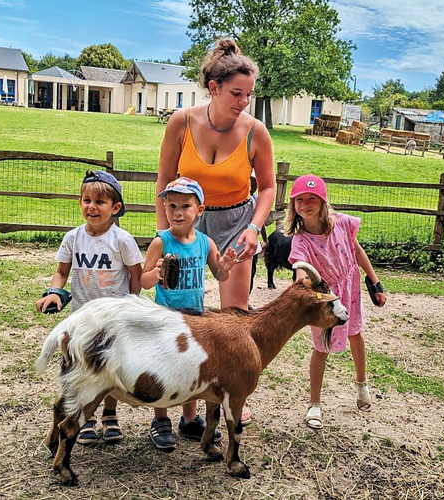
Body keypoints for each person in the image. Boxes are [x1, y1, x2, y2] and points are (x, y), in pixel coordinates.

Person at [156, 38, 275, 425]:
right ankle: (177, 389)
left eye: (249, 95)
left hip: (236, 223)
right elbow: (163, 181)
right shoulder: (181, 122)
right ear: (213, 88)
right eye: (236, 94)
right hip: (187, 220)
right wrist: (164, 238)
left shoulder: (256, 132)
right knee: (179, 309)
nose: (244, 102)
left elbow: (269, 187)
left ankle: (231, 394)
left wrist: (255, 228)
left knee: (234, 317)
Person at [35, 170, 144, 445]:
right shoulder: (73, 238)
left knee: (109, 369)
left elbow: (136, 274)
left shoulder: (122, 240)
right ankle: (86, 417)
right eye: (86, 200)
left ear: (115, 208)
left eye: (100, 202)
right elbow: (61, 271)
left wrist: (129, 304)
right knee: (81, 368)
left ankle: (109, 415)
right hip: (82, 317)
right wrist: (55, 293)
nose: (91, 207)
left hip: (112, 319)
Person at [140, 177, 237, 451]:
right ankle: (160, 420)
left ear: (200, 210)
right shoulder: (161, 242)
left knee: (191, 369)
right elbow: (144, 281)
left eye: (185, 206)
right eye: (171, 206)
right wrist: (156, 274)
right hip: (166, 318)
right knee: (164, 368)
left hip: (195, 318)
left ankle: (190, 419)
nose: (177, 212)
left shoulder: (205, 243)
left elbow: (219, 273)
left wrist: (226, 265)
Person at [283, 174, 387, 430]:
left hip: (349, 288)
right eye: (299, 200)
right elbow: (300, 268)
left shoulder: (341, 224)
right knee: (321, 348)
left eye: (311, 199)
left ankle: (362, 386)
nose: (305, 204)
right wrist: (301, 287)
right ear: (293, 204)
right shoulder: (301, 240)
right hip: (326, 297)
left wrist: (374, 281)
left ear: (323, 201)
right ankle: (314, 404)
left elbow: (357, 250)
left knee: (355, 334)